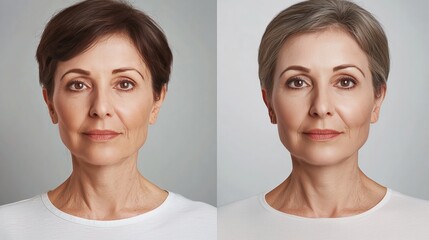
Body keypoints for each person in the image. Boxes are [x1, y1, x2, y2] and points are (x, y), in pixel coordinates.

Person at [0, 1, 215, 239]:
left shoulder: (207, 226)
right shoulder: (7, 227)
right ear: (50, 103)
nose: (100, 108)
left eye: (125, 84)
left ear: (157, 101)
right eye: (78, 85)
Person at [219, 0, 429, 239]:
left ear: (377, 99)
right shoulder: (224, 227)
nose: (321, 107)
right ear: (270, 104)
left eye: (345, 82)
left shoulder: (423, 224)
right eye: (298, 82)